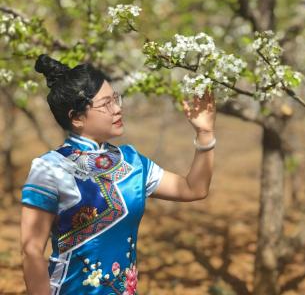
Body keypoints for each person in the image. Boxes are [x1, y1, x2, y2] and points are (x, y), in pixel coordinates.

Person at [20, 54, 216, 295]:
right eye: (106, 104)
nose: (117, 109)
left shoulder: (132, 162)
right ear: (77, 117)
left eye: (116, 99)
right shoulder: (50, 168)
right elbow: (31, 250)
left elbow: (193, 188)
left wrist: (205, 135)